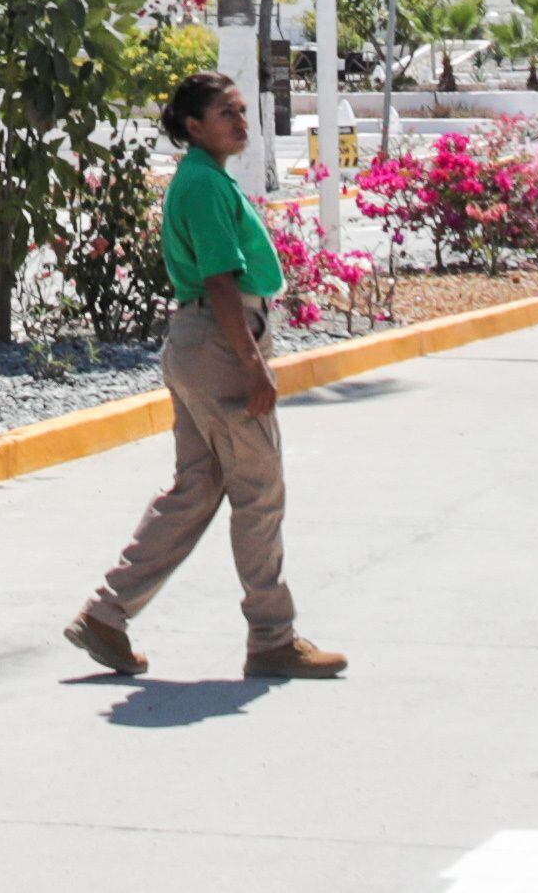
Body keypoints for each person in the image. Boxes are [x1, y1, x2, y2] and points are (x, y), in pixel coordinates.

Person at [64, 69, 342, 683]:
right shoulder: (203, 187)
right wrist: (253, 366)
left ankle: (107, 615)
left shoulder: (204, 179)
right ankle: (272, 637)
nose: (241, 122)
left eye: (243, 111)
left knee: (196, 489)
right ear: (193, 127)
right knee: (259, 488)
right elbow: (220, 280)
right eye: (227, 113)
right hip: (219, 343)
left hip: (196, 342)